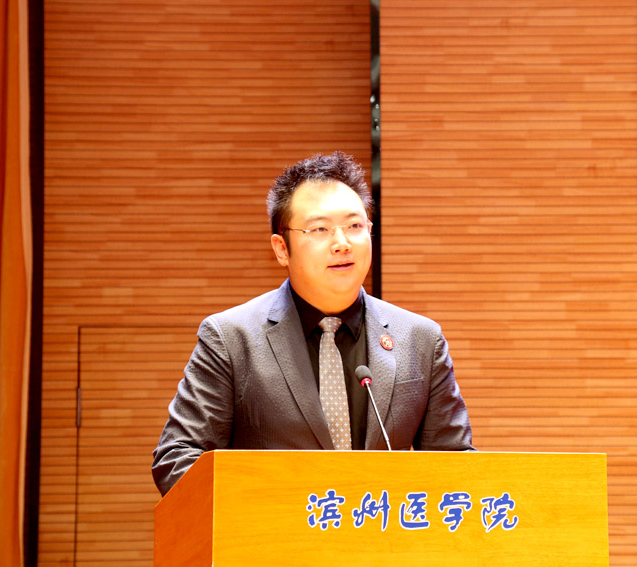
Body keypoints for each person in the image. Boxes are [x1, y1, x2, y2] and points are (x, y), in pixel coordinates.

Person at [152, 151, 473, 496]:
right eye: (320, 229)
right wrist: (271, 506)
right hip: (272, 528)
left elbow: (457, 468)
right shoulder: (231, 338)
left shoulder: (421, 340)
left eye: (354, 226)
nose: (342, 244)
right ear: (282, 249)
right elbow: (178, 459)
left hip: (383, 529)